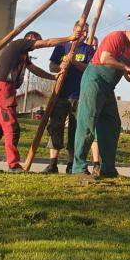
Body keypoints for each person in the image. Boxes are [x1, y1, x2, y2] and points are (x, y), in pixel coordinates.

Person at [72, 26, 130, 177]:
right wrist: (125, 67)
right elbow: (106, 58)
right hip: (95, 80)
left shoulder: (129, 49)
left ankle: (108, 169)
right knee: (87, 122)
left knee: (112, 124)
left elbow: (126, 73)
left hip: (108, 88)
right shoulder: (116, 37)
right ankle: (78, 167)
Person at [0, 31, 57, 173]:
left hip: (2, 90)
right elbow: (48, 42)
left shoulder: (23, 55)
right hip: (3, 90)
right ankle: (13, 165)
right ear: (31, 39)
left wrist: (54, 77)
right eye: (36, 42)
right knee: (12, 128)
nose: (36, 46)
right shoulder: (19, 44)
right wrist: (70, 38)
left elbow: (35, 70)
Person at [44, 20, 96, 175]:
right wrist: (62, 66)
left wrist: (74, 62)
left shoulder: (88, 50)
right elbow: (52, 66)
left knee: (76, 130)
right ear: (75, 30)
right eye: (83, 31)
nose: (85, 34)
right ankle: (52, 163)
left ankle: (71, 163)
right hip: (61, 94)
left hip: (80, 95)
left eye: (87, 32)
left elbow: (90, 69)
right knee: (55, 127)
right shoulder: (62, 46)